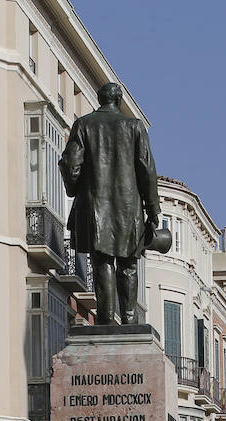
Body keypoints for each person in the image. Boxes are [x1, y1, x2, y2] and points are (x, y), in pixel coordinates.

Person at [59, 82, 161, 326]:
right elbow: (146, 169)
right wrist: (153, 208)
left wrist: (75, 189)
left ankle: (104, 320)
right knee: (128, 263)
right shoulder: (134, 127)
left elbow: (70, 164)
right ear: (119, 100)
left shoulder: (83, 125)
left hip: (94, 207)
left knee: (102, 261)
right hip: (128, 208)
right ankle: (128, 320)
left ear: (99, 99)